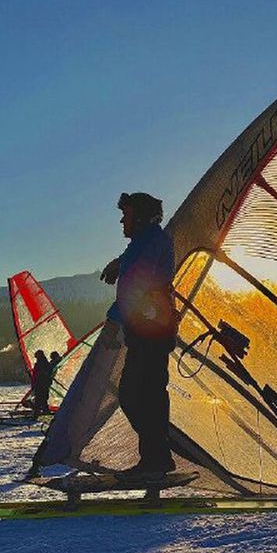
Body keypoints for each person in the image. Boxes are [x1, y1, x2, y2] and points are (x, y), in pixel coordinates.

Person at [100, 192, 177, 478]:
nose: (122, 221)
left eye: (127, 215)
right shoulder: (146, 240)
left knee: (137, 396)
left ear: (141, 218)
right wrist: (119, 262)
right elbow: (137, 260)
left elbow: (135, 284)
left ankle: (156, 459)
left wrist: (113, 321)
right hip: (149, 330)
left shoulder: (150, 241)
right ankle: (157, 458)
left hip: (151, 331)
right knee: (145, 395)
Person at [30, 350, 53, 415]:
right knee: (43, 397)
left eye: (36, 356)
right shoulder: (46, 363)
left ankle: (38, 411)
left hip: (40, 383)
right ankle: (44, 410)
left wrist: (33, 384)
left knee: (39, 397)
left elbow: (36, 375)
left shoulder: (39, 364)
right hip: (44, 383)